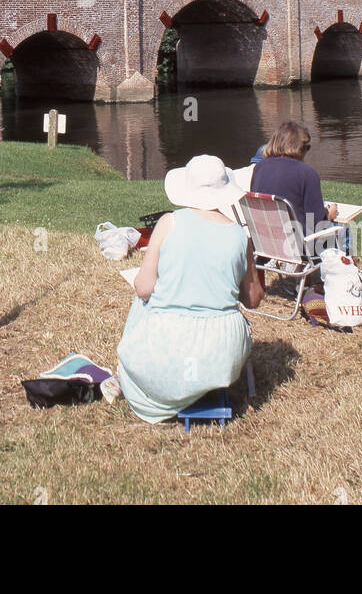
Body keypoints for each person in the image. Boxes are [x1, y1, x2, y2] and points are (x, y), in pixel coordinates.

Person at [110, 155, 264, 423]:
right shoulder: (240, 235)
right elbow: (252, 299)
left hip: (170, 344)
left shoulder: (170, 223)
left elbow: (144, 288)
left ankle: (161, 387)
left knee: (141, 302)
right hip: (221, 353)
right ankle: (202, 387)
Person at [248, 121, 337, 257]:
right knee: (344, 230)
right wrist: (329, 216)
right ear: (299, 148)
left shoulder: (259, 168)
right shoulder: (307, 173)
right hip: (298, 246)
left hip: (264, 242)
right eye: (306, 148)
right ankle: (346, 271)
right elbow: (316, 222)